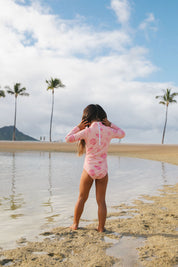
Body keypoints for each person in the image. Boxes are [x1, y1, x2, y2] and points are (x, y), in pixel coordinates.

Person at [65, 104, 125, 232]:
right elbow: (122, 133)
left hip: (89, 169)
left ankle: (75, 224)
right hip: (103, 170)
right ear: (103, 117)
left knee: (82, 197)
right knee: (101, 201)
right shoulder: (108, 130)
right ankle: (101, 228)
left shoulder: (87, 131)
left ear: (87, 117)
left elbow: (68, 139)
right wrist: (110, 124)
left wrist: (78, 127)